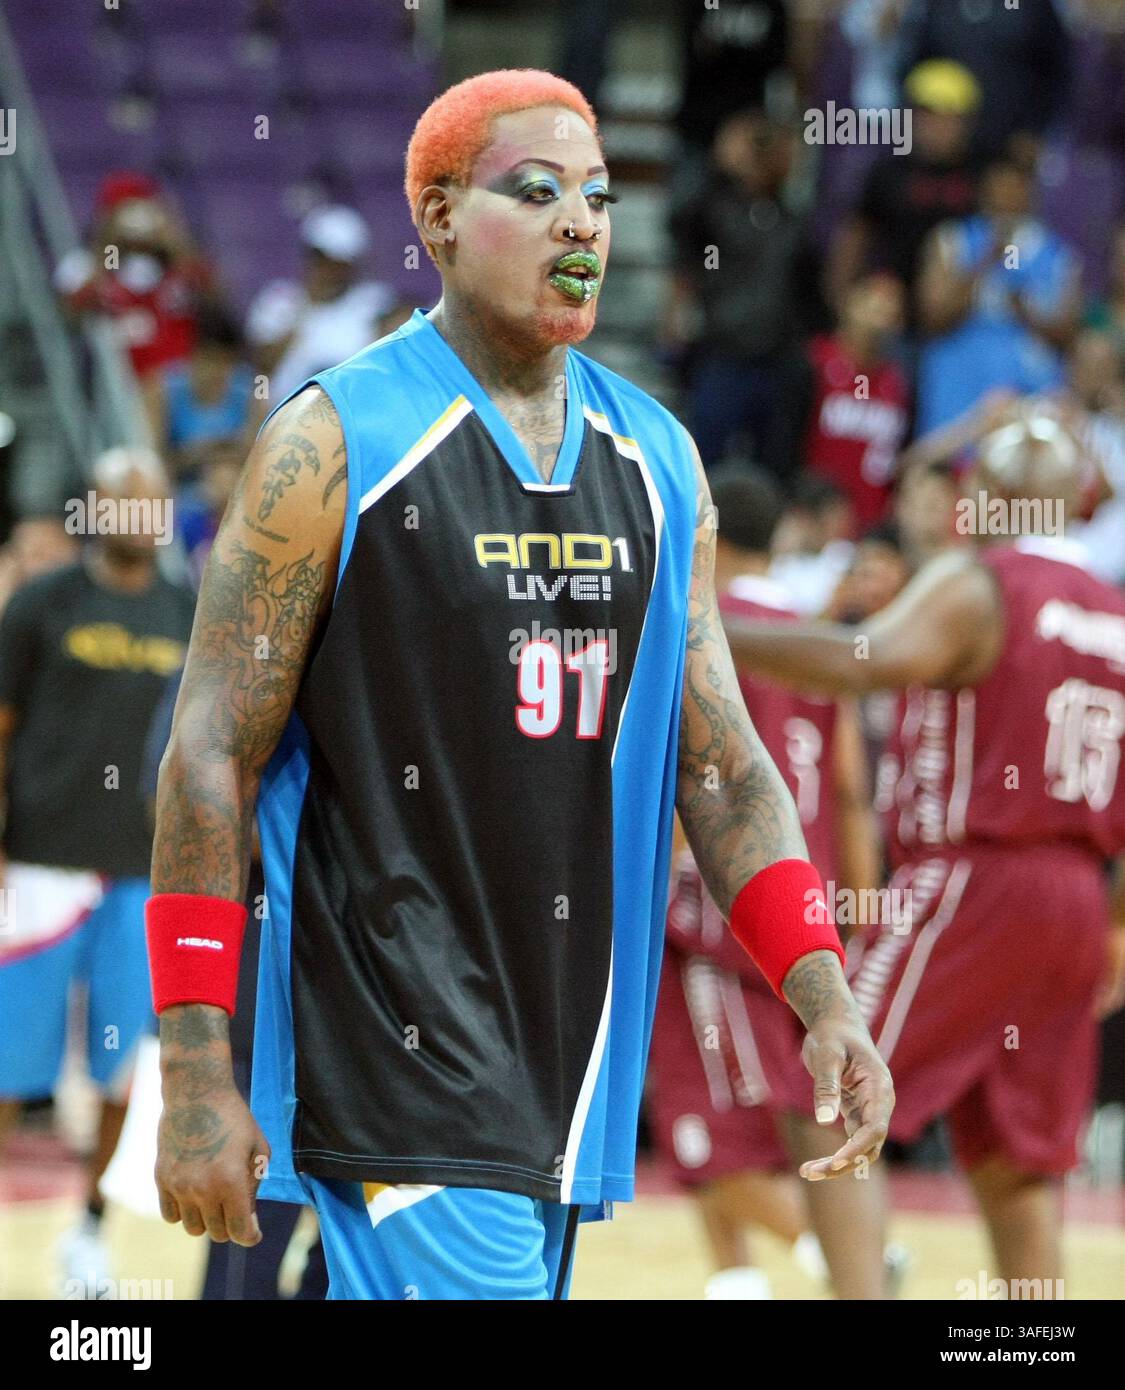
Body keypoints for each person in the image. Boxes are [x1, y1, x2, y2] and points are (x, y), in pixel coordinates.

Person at [146, 69, 893, 1302]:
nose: (581, 224)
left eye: (597, 198)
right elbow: (208, 748)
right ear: (438, 218)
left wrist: (824, 993)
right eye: (535, 193)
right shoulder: (335, 440)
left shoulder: (657, 456)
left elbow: (719, 760)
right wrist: (190, 1068)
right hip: (389, 1038)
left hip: (568, 1049)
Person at [725, 416, 1125, 1297]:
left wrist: (713, 633)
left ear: (986, 497)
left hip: (975, 876)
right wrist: (1119, 928)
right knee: (1019, 1165)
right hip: (1077, 898)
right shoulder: (1112, 612)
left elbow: (865, 661)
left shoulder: (982, 582)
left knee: (826, 1087)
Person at [646, 468, 886, 1300]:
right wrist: (857, 907)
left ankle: (841, 1264)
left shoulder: (697, 623)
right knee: (797, 1106)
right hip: (804, 902)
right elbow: (852, 789)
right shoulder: (811, 635)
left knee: (708, 1127)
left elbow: (688, 774)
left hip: (717, 903)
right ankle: (738, 1278)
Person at [0, 449, 195, 1296]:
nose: (139, 518)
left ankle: (88, 1232)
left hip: (142, 875)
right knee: (9, 1061)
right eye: (123, 503)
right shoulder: (43, 603)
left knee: (124, 1066)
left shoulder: (190, 613)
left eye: (153, 504)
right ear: (96, 511)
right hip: (42, 862)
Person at [915, 152, 1083, 434]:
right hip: (957, 387)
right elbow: (933, 317)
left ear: (1031, 193)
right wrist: (984, 263)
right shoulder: (952, 239)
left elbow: (1069, 334)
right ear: (985, 191)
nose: (1007, 196)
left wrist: (1025, 312)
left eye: (1016, 187)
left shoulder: (1058, 256)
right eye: (1000, 186)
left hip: (1028, 393)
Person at [55, 173, 214, 380]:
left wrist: (173, 240)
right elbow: (66, 319)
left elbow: (215, 301)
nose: (137, 224)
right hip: (109, 388)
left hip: (176, 386)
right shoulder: (80, 263)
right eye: (126, 212)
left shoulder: (177, 266)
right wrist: (107, 245)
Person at [245, 205, 395, 413]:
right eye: (321, 259)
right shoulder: (278, 299)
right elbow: (263, 367)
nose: (328, 270)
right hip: (285, 415)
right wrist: (306, 307)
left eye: (338, 263)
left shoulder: (374, 303)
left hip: (353, 414)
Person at [803, 273, 910, 533]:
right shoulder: (814, 362)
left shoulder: (899, 382)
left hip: (870, 527)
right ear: (850, 304)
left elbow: (901, 457)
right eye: (874, 307)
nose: (880, 320)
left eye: (890, 313)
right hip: (814, 520)